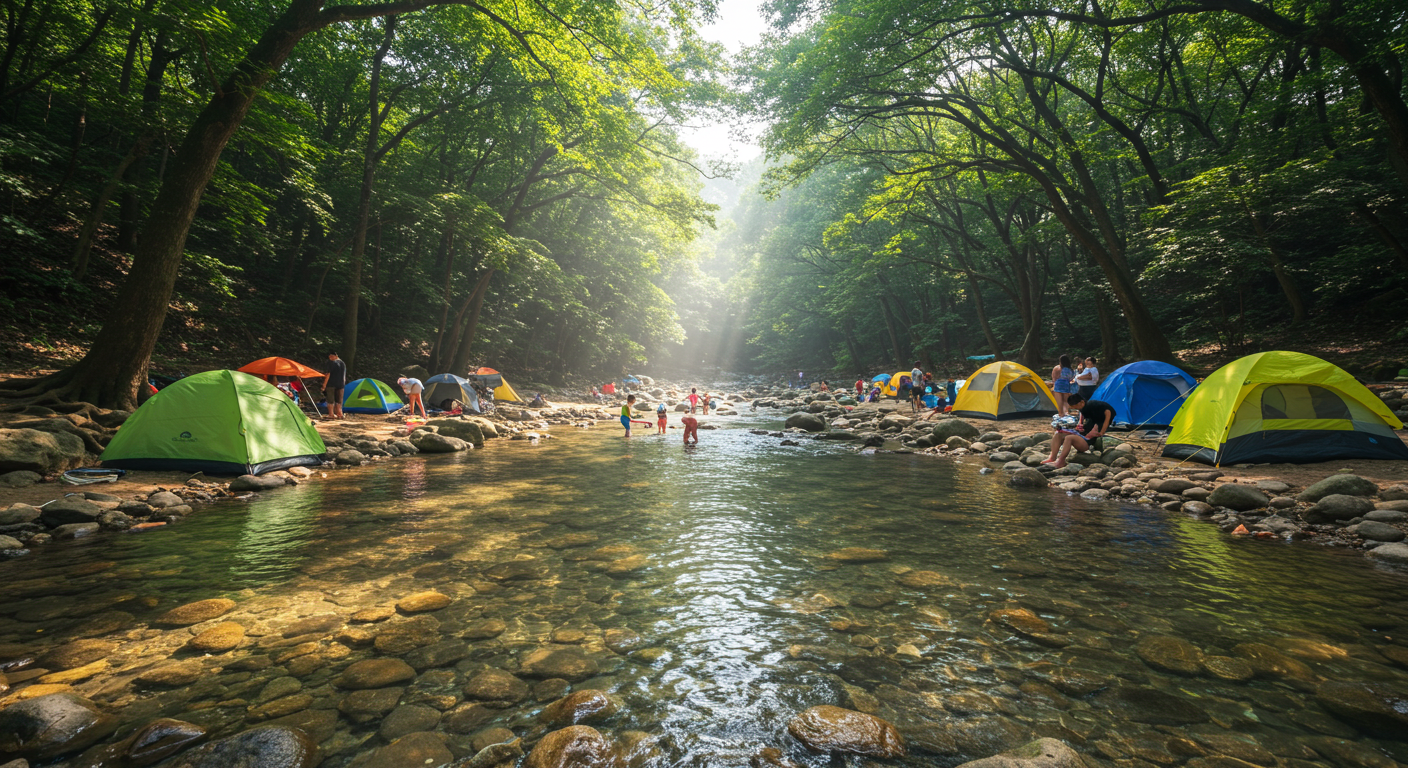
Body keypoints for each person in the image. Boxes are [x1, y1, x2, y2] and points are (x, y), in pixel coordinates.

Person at [1043, 392, 1115, 469]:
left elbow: (1108, 412)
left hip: (1087, 443)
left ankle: (1061, 461)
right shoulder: (1086, 412)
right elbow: (1082, 424)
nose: (1077, 410)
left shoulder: (1095, 409)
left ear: (1082, 402)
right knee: (1058, 434)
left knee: (1069, 438)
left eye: (1076, 407)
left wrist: (1102, 432)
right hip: (1082, 436)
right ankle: (1052, 457)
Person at [325, 352, 347, 419]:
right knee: (339, 400)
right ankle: (340, 414)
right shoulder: (343, 363)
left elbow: (328, 374)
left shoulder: (331, 363)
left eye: (331, 357)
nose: (330, 358)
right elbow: (344, 375)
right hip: (340, 384)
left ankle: (331, 414)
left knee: (330, 400)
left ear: (335, 356)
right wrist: (343, 383)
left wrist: (324, 384)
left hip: (331, 383)